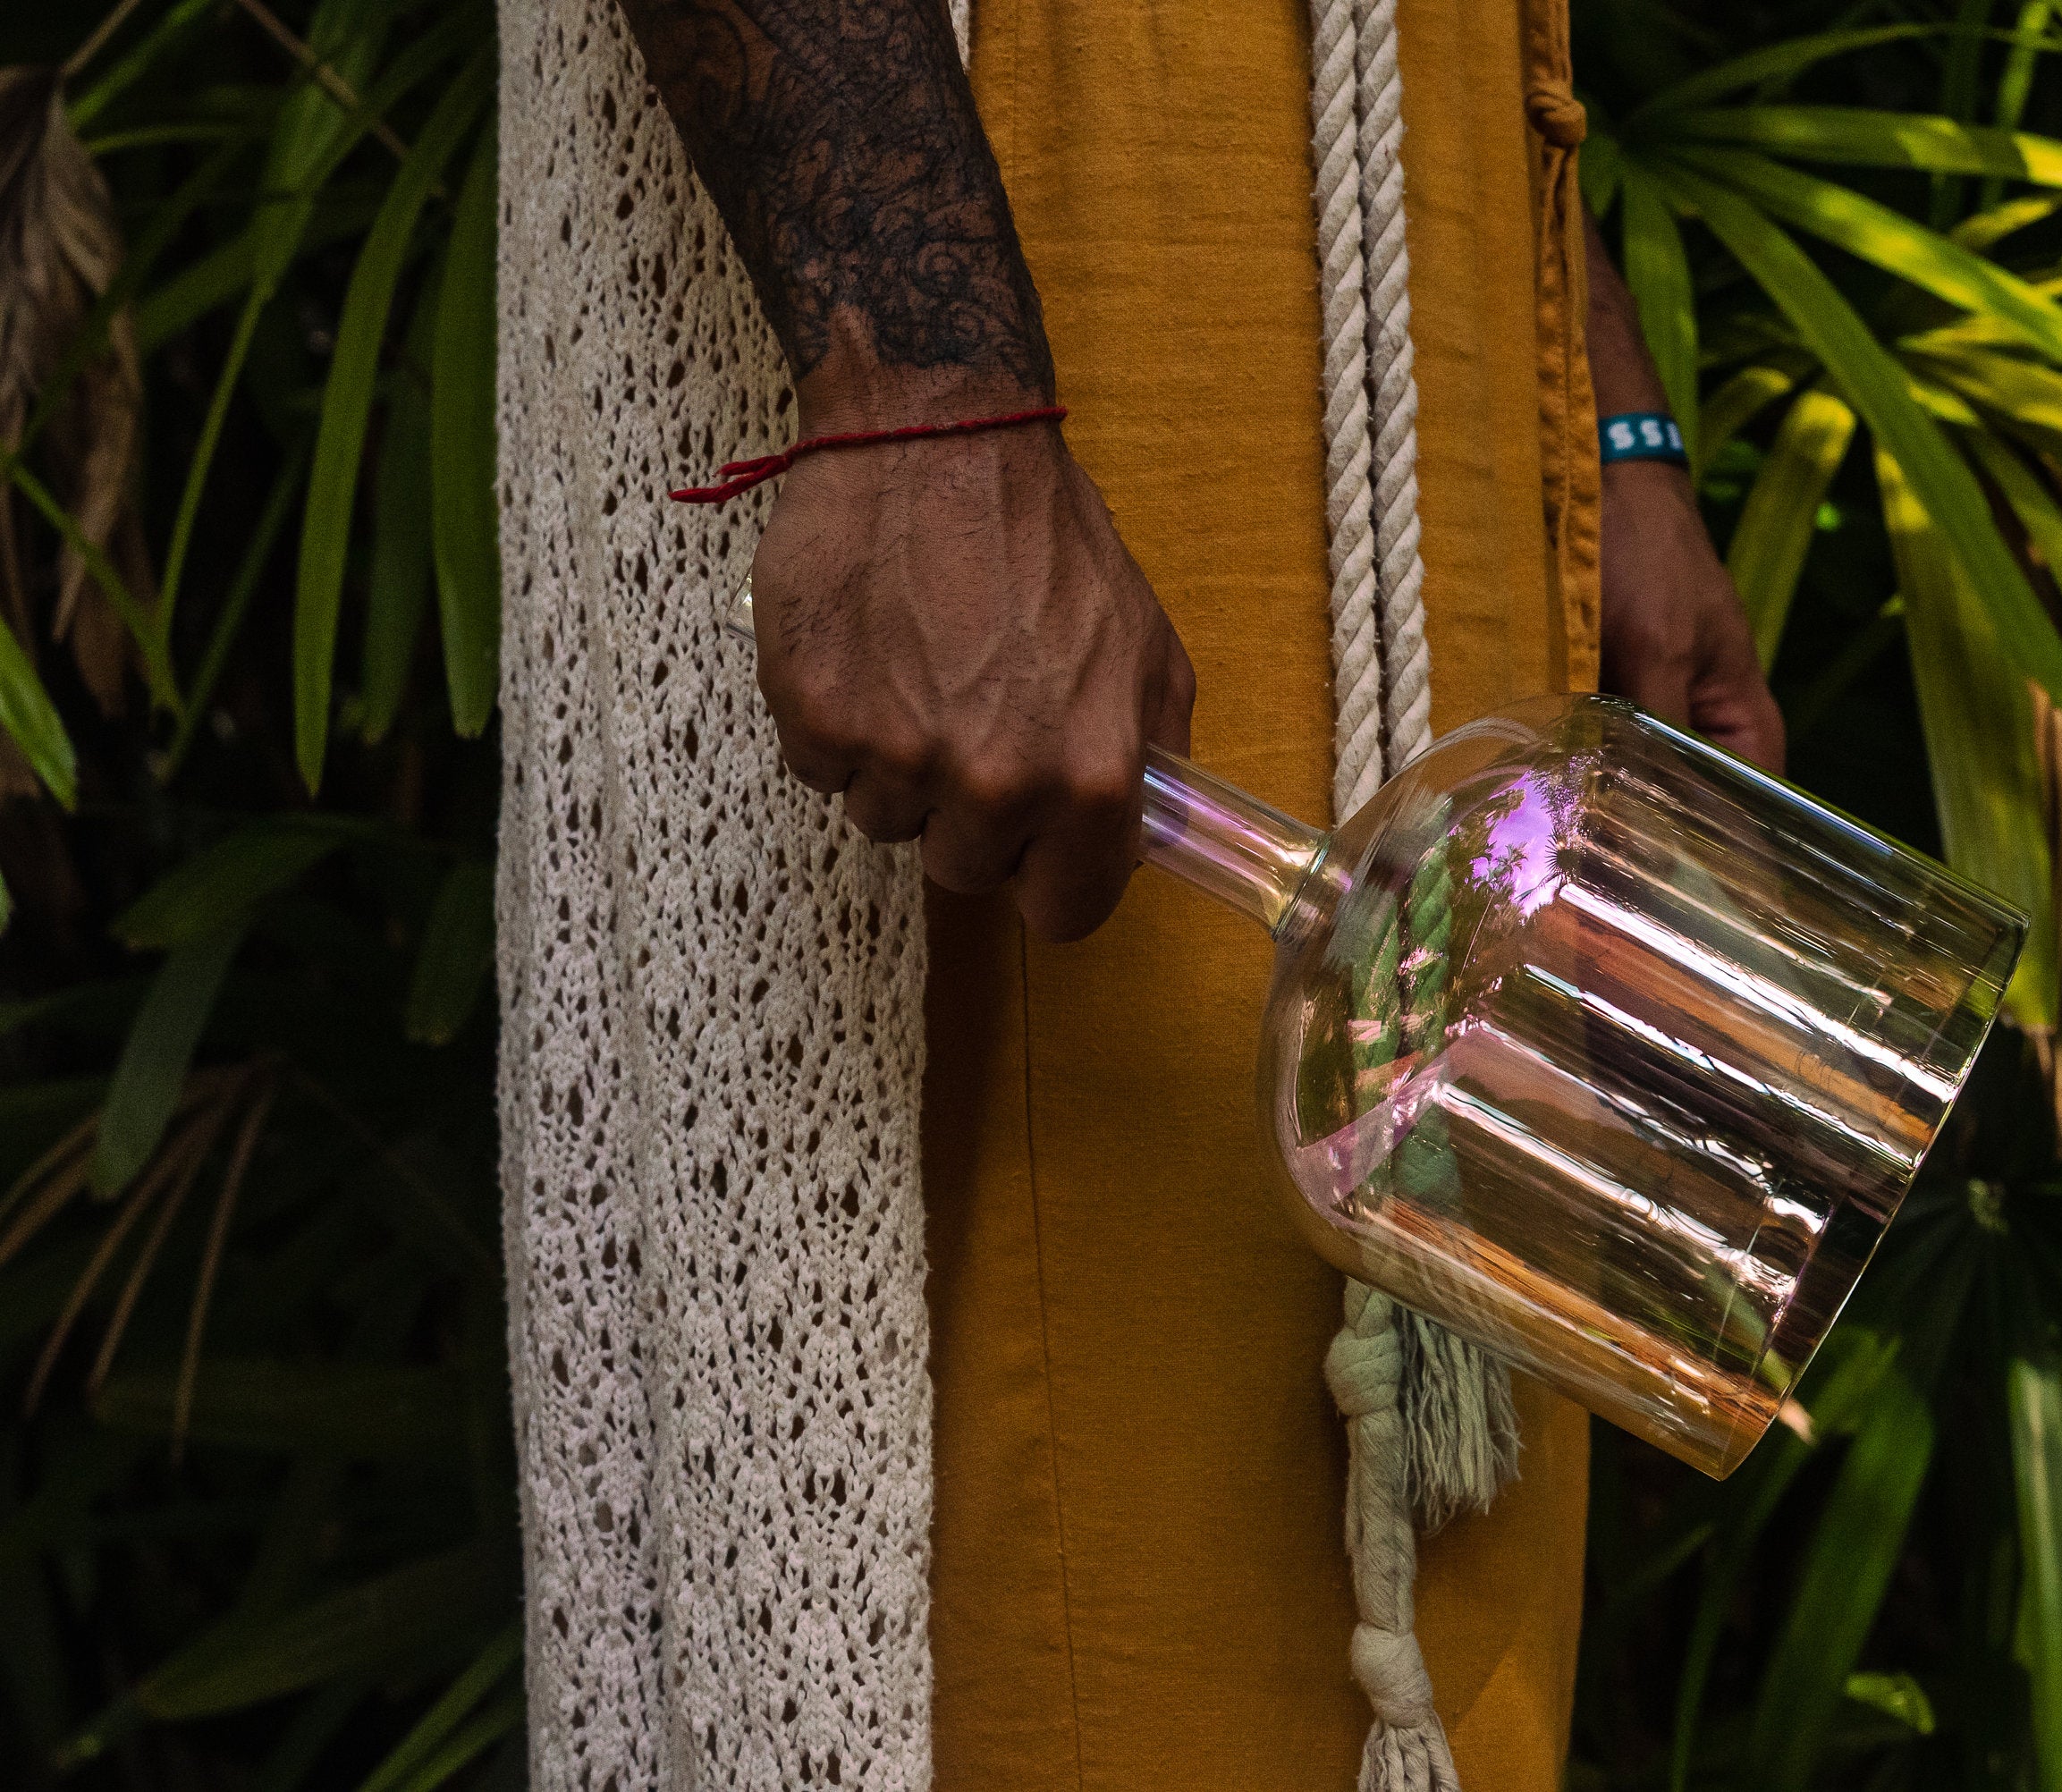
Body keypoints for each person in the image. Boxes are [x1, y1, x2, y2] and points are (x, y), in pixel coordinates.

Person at [499, 0, 1781, 1786]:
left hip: (1425, 246)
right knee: (1129, 1574)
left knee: (1450, 1586)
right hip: (1054, 194)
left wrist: (1605, 411)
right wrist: (924, 389)